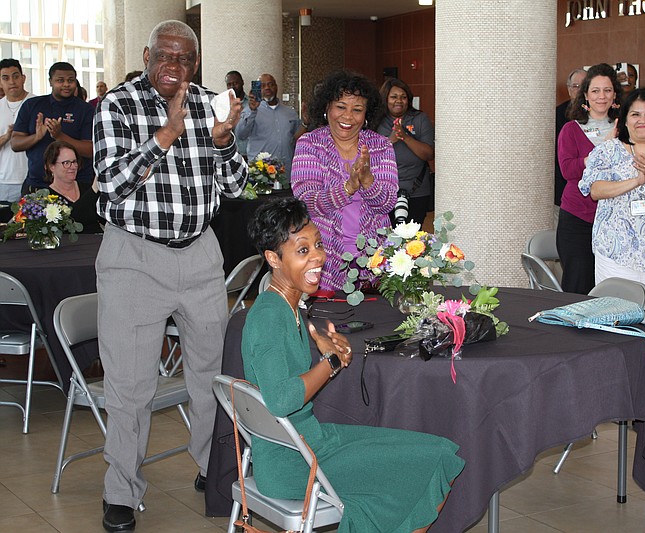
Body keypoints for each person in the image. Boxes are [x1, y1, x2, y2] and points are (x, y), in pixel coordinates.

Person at [93, 20, 247, 532]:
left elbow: (236, 185)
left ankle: (212, 468)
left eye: (184, 59)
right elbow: (112, 185)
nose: (173, 67)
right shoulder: (117, 105)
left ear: (195, 63)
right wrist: (165, 137)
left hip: (200, 255)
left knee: (212, 376)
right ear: (146, 55)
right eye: (165, 56)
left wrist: (223, 141)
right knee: (131, 387)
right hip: (133, 259)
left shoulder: (207, 103)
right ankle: (121, 491)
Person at [244, 196, 464, 532]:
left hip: (308, 442)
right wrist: (330, 362)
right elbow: (282, 399)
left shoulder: (286, 305)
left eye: (317, 244)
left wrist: (324, 352)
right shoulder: (269, 316)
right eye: (302, 250)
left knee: (436, 453)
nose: (318, 256)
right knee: (433, 457)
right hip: (294, 462)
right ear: (273, 258)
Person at [579, 88, 645, 343]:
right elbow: (595, 190)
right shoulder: (607, 152)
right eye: (635, 114)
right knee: (613, 324)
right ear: (624, 119)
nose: (642, 120)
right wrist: (636, 180)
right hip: (615, 251)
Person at [291, 70, 398, 291]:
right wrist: (348, 188)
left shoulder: (381, 146)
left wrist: (368, 182)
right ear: (327, 108)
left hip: (375, 260)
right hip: (323, 260)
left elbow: (387, 203)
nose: (348, 117)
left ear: (367, 114)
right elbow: (307, 202)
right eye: (341, 107)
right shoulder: (310, 144)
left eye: (357, 110)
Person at [556, 62, 621, 294]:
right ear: (585, 95)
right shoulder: (571, 130)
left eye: (607, 90)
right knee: (578, 287)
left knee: (609, 287)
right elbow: (568, 170)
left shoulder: (625, 128)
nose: (601, 96)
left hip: (616, 220)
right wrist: (600, 151)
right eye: (595, 91)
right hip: (578, 220)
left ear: (615, 94)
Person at [11, 61, 94, 193]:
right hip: (37, 184)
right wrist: (36, 137)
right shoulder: (32, 105)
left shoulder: (86, 110)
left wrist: (59, 136)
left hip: (76, 185)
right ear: (50, 81)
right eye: (60, 80)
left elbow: (91, 150)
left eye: (70, 80)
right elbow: (15, 144)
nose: (66, 84)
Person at [377, 77, 434, 225]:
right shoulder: (377, 121)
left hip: (417, 190)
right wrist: (390, 140)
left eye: (403, 97)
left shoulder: (420, 119)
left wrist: (405, 136)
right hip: (385, 192)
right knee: (389, 240)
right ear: (385, 99)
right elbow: (370, 157)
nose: (399, 101)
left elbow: (429, 154)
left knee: (414, 241)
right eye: (394, 97)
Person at [236, 72, 305, 176]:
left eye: (271, 84)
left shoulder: (290, 113)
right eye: (263, 86)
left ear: (276, 87)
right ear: (257, 89)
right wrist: (252, 111)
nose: (267, 88)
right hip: (261, 175)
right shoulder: (249, 111)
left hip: (286, 173)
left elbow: (297, 139)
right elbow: (241, 135)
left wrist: (306, 122)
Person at [42, 140, 102, 233]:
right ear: (51, 166)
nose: (73, 166)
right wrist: (94, 190)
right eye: (66, 163)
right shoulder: (45, 198)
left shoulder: (87, 188)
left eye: (74, 162)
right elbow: (69, 221)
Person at [0, 58, 34, 203]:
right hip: (3, 180)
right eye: (5, 78)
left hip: (32, 178)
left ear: (23, 78)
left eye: (15, 76)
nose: (12, 82)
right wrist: (7, 137)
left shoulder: (36, 103)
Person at [555, 68, 587, 216]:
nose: (580, 91)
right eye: (576, 86)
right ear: (569, 90)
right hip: (566, 187)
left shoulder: (603, 115)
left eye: (585, 85)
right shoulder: (558, 114)